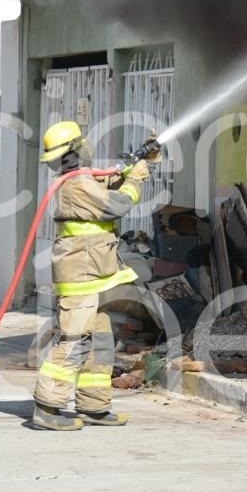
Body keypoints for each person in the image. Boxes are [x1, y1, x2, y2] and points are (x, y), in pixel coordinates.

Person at [33, 121, 152, 431]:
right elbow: (116, 206)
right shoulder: (77, 184)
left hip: (93, 272)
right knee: (75, 340)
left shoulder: (80, 179)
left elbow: (103, 186)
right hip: (80, 275)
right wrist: (135, 178)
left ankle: (93, 406)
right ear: (76, 149)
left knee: (99, 340)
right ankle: (47, 407)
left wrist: (131, 166)